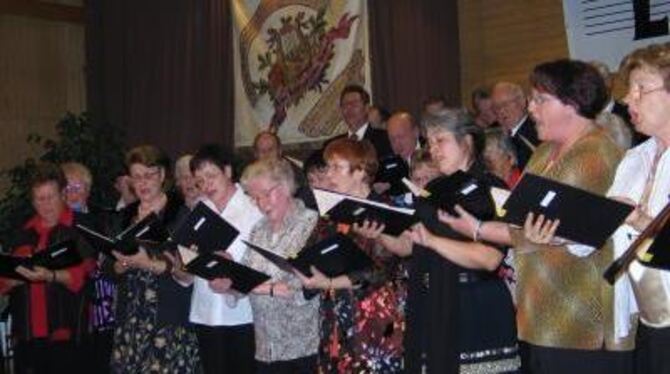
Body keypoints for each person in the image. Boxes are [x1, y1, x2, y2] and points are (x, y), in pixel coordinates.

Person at [443, 60, 633, 373]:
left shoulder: (595, 153)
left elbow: (543, 230)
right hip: (540, 314)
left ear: (572, 104)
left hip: (579, 318)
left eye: (540, 99)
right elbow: (524, 219)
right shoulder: (545, 151)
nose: (531, 108)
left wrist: (478, 229)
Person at [360, 109, 520, 373]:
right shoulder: (433, 189)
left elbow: (489, 258)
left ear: (467, 141)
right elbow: (408, 245)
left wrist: (433, 241)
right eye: (429, 142)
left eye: (440, 141)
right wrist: (380, 231)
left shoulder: (492, 187)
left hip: (475, 307)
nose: (433, 149)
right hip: (434, 301)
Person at [298, 138, 406, 373]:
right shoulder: (331, 213)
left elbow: (380, 271)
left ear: (360, 172)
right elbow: (310, 255)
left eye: (337, 167)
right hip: (335, 320)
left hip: (374, 322)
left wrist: (329, 282)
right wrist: (299, 267)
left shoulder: (383, 209)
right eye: (327, 167)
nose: (328, 175)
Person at [606, 43, 670, 374]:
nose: (628, 99)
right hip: (643, 315)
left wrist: (639, 218)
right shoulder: (633, 158)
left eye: (640, 89)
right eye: (628, 90)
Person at [171, 144, 262, 374]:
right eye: (199, 180)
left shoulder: (254, 207)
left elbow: (264, 264)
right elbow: (185, 276)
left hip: (244, 313)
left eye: (211, 176)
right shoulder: (200, 210)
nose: (206, 185)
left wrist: (229, 266)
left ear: (228, 172)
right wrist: (182, 265)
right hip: (206, 311)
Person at [110, 145, 199, 373]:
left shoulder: (181, 215)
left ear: (161, 176)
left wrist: (149, 264)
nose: (143, 183)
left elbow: (189, 271)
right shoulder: (124, 216)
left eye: (149, 175)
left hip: (167, 319)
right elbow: (108, 267)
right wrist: (118, 267)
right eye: (137, 177)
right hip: (131, 318)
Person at [0, 163, 96, 374]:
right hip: (27, 335)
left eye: (50, 197)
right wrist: (13, 279)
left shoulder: (80, 228)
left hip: (68, 334)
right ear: (32, 201)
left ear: (63, 194)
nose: (46, 204)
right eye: (39, 199)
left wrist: (50, 275)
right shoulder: (23, 233)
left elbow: (83, 276)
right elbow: (4, 282)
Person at [240, 159, 320, 373]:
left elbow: (310, 287)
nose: (262, 203)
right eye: (255, 198)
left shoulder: (311, 224)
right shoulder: (258, 229)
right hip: (265, 347)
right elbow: (245, 277)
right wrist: (229, 280)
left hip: (302, 347)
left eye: (267, 194)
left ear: (286, 186)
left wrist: (263, 288)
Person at [61, 162, 117, 374]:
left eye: (78, 188)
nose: (72, 194)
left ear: (88, 189)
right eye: (66, 188)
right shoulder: (56, 221)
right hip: (68, 298)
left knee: (101, 357)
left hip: (102, 298)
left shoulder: (104, 217)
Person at [324, 84, 393, 159]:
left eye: (354, 104)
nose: (349, 108)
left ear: (366, 108)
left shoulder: (384, 139)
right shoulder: (333, 145)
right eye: (345, 105)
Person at [491, 81, 540, 169]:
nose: (501, 111)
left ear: (522, 102)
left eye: (505, 104)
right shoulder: (494, 136)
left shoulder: (537, 133)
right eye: (496, 107)